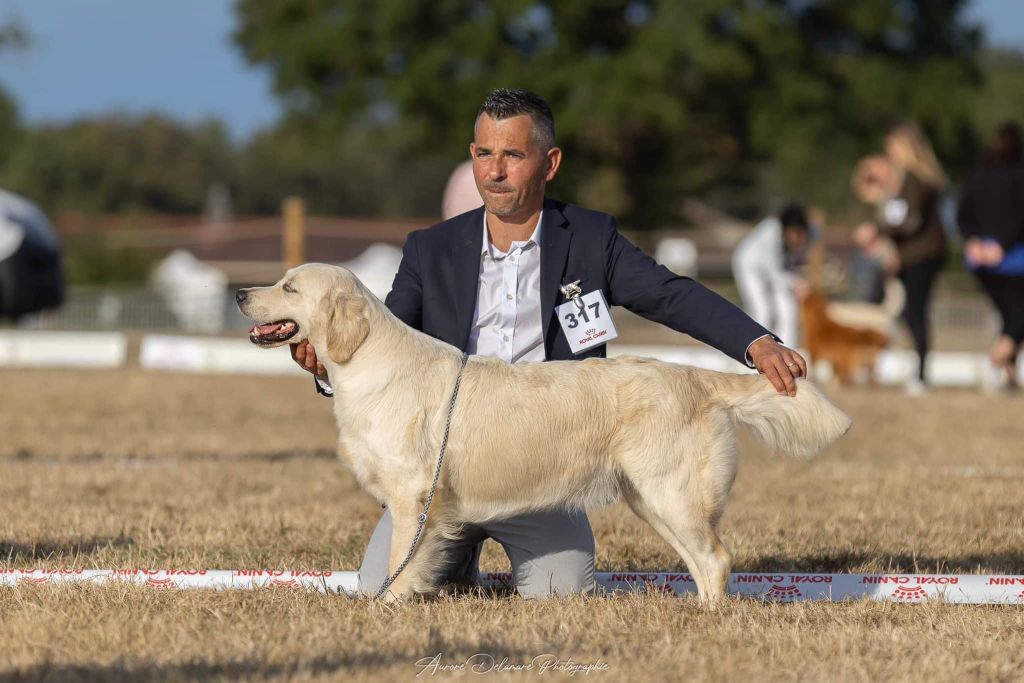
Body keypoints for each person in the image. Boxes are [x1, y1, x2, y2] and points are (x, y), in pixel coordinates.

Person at [292, 88, 807, 598]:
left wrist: (754, 343)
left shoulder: (589, 239)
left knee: (560, 592)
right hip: (440, 473)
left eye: (513, 155)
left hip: (544, 470)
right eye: (483, 154)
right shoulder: (432, 249)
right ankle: (456, 559)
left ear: (549, 162)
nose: (494, 172)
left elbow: (670, 295)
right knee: (377, 586)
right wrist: (323, 367)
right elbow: (384, 347)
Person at [853, 124, 948, 394]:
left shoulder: (916, 180)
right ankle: (918, 371)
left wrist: (878, 231)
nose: (889, 152)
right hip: (912, 255)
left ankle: (920, 375)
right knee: (911, 312)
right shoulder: (908, 179)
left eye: (892, 146)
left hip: (922, 255)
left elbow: (908, 221)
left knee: (915, 311)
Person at [957, 121, 1024, 390]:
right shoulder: (1020, 177)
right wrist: (1001, 247)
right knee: (1018, 317)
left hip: (980, 259)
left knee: (1010, 315)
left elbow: (962, 217)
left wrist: (974, 242)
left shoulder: (976, 176)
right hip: (1013, 258)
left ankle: (1008, 373)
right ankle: (994, 361)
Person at [732, 203, 812, 347]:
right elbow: (774, 273)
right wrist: (795, 283)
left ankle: (787, 350)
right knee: (762, 311)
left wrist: (793, 282)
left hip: (770, 274)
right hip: (750, 268)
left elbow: (780, 272)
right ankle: (752, 350)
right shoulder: (772, 231)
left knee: (788, 309)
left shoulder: (787, 240)